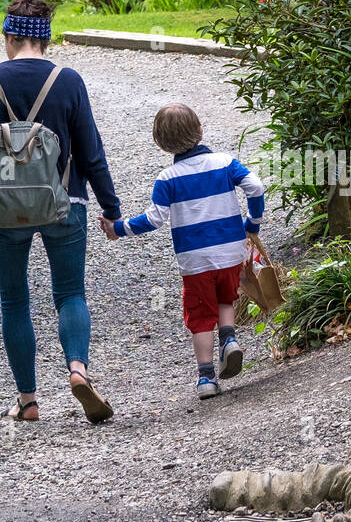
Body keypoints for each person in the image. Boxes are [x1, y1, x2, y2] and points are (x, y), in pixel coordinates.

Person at [0, 0, 121, 424]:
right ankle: (78, 369)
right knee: (70, 293)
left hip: (4, 210)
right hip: (66, 204)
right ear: (44, 41)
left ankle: (28, 401)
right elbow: (92, 152)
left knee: (14, 300)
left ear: (9, 37)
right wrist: (110, 206)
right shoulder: (68, 80)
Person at [99, 102, 265, 399]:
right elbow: (255, 186)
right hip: (230, 250)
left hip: (194, 259)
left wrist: (119, 228)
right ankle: (229, 339)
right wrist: (252, 221)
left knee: (201, 313)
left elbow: (154, 219)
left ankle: (206, 378)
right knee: (226, 297)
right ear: (200, 131)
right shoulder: (225, 162)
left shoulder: (168, 178)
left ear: (160, 143)